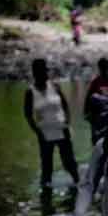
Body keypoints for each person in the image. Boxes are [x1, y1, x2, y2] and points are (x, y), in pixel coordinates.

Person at [24, 59, 80, 194]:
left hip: (62, 130)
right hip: (45, 134)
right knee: (47, 167)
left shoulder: (55, 86)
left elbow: (65, 105)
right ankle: (46, 197)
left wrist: (67, 122)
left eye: (46, 70)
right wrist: (37, 132)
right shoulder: (30, 92)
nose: (45, 74)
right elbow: (28, 115)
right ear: (35, 73)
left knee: (69, 163)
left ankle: (79, 187)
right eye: (42, 71)